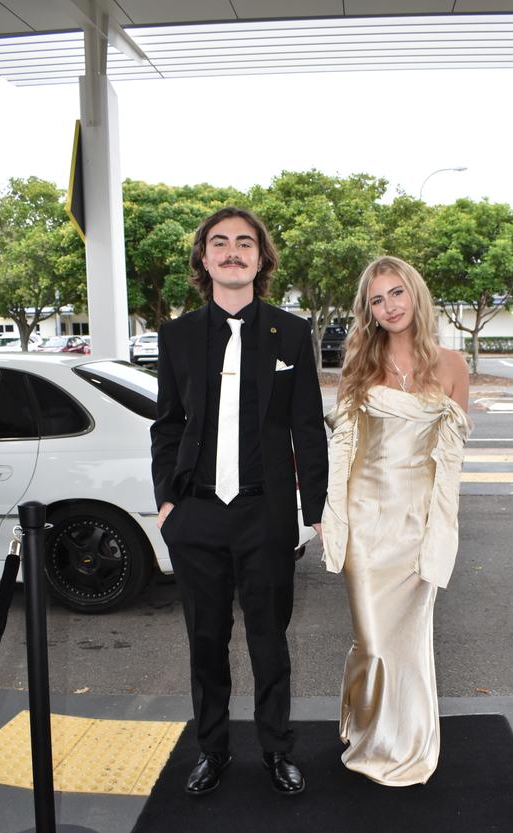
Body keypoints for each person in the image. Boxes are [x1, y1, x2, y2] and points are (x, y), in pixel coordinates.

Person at [151, 207, 328, 796]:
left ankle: (277, 749)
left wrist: (313, 512)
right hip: (197, 513)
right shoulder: (175, 337)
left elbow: (308, 428)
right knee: (205, 641)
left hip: (266, 514)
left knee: (269, 641)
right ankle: (213, 749)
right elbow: (168, 425)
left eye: (244, 243)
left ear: (261, 258)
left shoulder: (292, 333)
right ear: (203, 258)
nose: (232, 252)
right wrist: (168, 503)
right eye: (220, 243)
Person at [321, 256, 471, 787]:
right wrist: (332, 514)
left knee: (408, 640)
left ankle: (407, 742)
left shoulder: (452, 366)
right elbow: (343, 447)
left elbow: (449, 461)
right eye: (378, 299)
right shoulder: (359, 365)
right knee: (374, 641)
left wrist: (443, 528)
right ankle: (366, 730)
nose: (390, 307)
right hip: (366, 519)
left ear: (416, 295)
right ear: (369, 310)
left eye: (397, 293)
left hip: (416, 521)